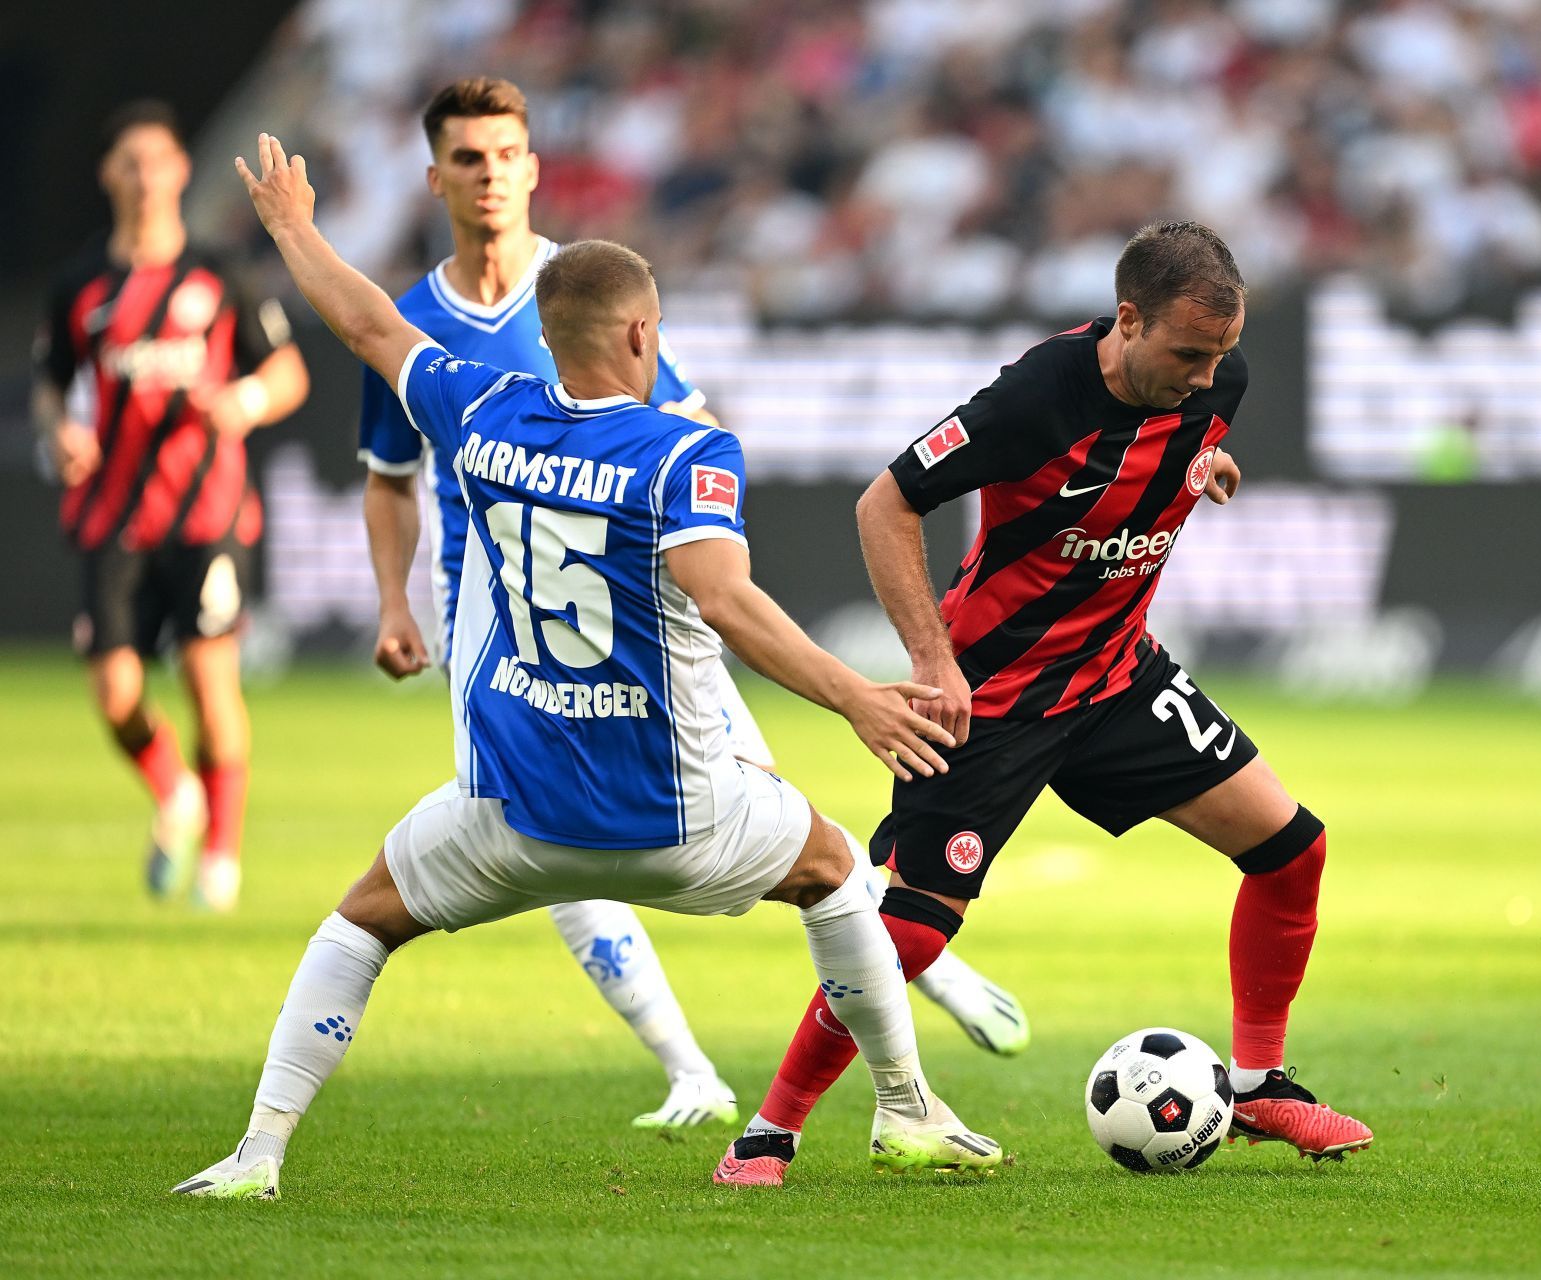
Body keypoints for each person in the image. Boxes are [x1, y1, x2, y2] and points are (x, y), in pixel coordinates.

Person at [172, 134, 1001, 1200]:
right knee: (837, 870)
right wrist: (854, 694)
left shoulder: (478, 407)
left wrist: (292, 226)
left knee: (361, 919)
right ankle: (905, 1107)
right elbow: (727, 598)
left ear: (547, 339)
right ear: (646, 331)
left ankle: (258, 1152)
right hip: (684, 821)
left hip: (514, 819)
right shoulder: (684, 451)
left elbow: (369, 321)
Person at [355, 78, 1028, 1131]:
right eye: (468, 158)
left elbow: (682, 417)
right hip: (496, 618)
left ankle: (907, 963)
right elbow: (391, 474)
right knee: (558, 834)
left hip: (648, 606)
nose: (489, 176)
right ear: (434, 175)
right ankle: (691, 1065)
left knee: (752, 793)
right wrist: (396, 599)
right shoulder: (415, 322)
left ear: (532, 166)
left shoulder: (587, 291)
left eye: (505, 154)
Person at [715, 221, 1371, 1185]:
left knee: (1290, 850)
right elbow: (884, 504)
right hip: (995, 699)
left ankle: (1262, 1080)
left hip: (1116, 678)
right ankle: (767, 1134)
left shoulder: (1213, 381)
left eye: (1219, 356)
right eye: (1187, 354)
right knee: (911, 930)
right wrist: (932, 660)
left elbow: (1172, 449)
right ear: (1129, 320)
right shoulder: (1034, 399)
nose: (1205, 377)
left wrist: (1202, 473)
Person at [31, 101, 310, 912]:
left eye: (159, 159)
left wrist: (242, 401)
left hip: (206, 514)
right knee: (115, 695)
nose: (147, 176)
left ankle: (220, 857)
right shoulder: (80, 285)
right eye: (131, 162)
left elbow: (287, 372)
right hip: (114, 514)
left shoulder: (220, 272)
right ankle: (175, 793)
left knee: (208, 677)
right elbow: (50, 383)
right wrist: (62, 433)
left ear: (183, 171)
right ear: (109, 176)